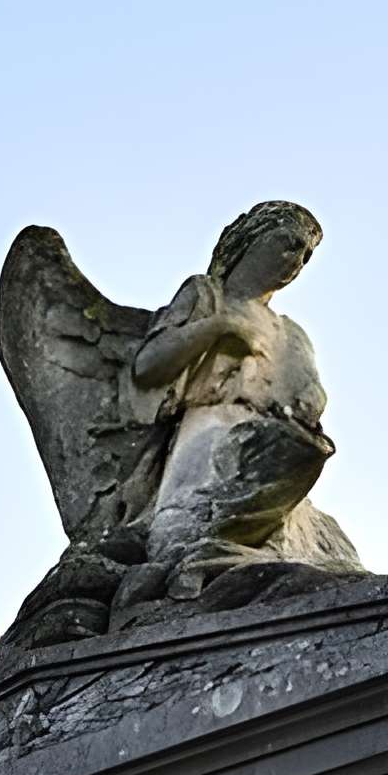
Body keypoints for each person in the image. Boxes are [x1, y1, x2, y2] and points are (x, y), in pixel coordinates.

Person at [127, 200, 335, 594]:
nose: (296, 261)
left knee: (308, 552)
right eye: (289, 244)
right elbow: (147, 367)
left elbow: (306, 402)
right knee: (186, 540)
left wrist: (308, 401)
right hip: (207, 435)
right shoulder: (207, 296)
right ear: (251, 241)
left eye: (306, 256)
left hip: (269, 450)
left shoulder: (290, 333)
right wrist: (216, 329)